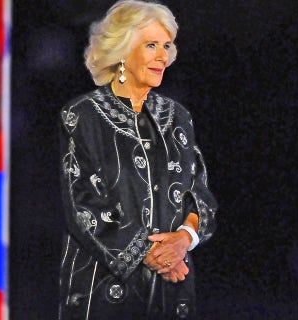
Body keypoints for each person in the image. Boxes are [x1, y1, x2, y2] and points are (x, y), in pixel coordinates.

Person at [58, 1, 218, 318]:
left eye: (167, 45)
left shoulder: (178, 117)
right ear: (122, 50)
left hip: (173, 291)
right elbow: (83, 206)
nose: (163, 56)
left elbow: (199, 195)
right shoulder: (82, 116)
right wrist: (150, 254)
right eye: (151, 45)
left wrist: (184, 239)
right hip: (104, 292)